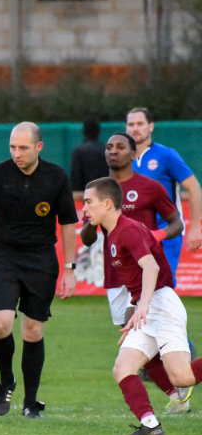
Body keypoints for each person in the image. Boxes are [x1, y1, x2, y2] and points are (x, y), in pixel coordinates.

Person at [0, 121, 78, 419]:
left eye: (23, 148)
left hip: (42, 260)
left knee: (33, 330)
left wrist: (70, 269)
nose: (17, 153)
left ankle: (30, 403)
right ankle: (6, 381)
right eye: (12, 147)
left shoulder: (56, 177)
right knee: (0, 323)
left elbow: (68, 224)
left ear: (39, 147)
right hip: (4, 257)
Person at [82, 177, 202, 435]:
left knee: (182, 378)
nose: (84, 208)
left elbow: (151, 266)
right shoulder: (113, 233)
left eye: (89, 202)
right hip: (146, 306)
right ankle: (151, 426)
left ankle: (155, 421)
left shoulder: (129, 230)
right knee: (122, 368)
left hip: (162, 304)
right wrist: (135, 308)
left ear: (107, 204)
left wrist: (143, 304)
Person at [80, 133, 191, 413]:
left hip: (147, 273)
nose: (113, 151)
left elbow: (177, 223)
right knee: (136, 341)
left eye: (120, 147)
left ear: (134, 154)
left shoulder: (150, 187)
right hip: (117, 275)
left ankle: (179, 378)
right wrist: (90, 221)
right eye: (109, 147)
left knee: (146, 333)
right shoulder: (97, 192)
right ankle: (176, 395)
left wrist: (156, 235)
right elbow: (87, 239)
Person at [126, 107, 202, 277]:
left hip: (167, 232)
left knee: (162, 285)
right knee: (137, 288)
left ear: (150, 126)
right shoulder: (123, 159)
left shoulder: (166, 155)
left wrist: (195, 228)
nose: (135, 128)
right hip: (135, 236)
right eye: (131, 124)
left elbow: (194, 187)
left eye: (140, 124)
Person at [70, 115, 108, 192]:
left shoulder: (79, 151)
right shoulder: (106, 150)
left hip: (85, 194)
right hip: (105, 192)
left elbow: (75, 179)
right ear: (98, 130)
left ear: (84, 131)